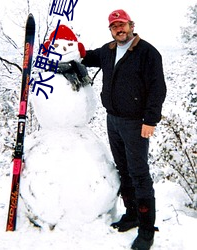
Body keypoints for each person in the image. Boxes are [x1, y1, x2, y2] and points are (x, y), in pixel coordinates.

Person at [82, 9, 166, 250]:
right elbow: (87, 56)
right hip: (113, 120)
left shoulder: (147, 52)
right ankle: (132, 214)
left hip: (136, 123)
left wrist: (150, 120)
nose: (119, 29)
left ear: (131, 24)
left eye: (122, 24)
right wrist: (71, 49)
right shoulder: (108, 51)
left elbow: (157, 88)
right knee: (124, 169)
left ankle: (147, 231)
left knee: (139, 173)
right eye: (114, 26)